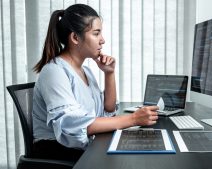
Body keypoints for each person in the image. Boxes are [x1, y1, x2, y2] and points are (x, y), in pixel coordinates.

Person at [32, 4, 159, 162]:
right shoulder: (54, 72)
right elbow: (70, 127)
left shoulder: (86, 71)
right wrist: (133, 119)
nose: (102, 40)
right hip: (56, 153)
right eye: (96, 33)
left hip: (80, 147)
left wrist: (109, 73)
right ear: (75, 38)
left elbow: (107, 111)